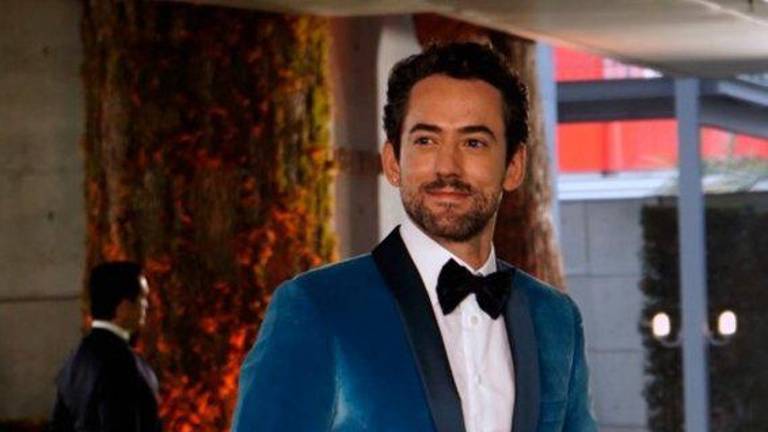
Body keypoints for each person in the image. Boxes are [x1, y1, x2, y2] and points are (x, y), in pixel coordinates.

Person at [231, 42, 596, 431]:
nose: (447, 167)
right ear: (393, 162)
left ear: (514, 165)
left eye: (473, 143)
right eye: (426, 141)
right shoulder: (317, 306)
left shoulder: (555, 318)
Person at [51, 261, 161, 432]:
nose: (147, 305)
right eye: (142, 297)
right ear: (123, 307)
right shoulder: (122, 364)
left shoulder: (74, 362)